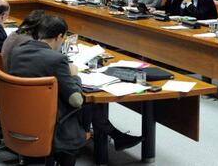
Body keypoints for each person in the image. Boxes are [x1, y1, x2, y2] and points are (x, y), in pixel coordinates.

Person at [9, 16, 142, 165]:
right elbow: (76, 100)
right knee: (91, 102)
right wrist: (74, 76)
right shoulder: (56, 59)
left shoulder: (17, 52)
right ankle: (108, 141)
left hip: (19, 119)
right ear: (60, 36)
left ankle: (116, 137)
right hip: (53, 124)